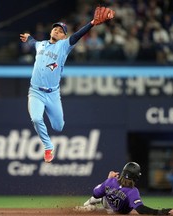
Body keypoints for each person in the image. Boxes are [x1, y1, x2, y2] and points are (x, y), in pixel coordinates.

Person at [19, 6, 115, 163]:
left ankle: (52, 134)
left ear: (64, 36)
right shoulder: (41, 45)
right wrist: (29, 37)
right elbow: (33, 42)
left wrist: (91, 23)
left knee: (58, 127)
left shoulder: (64, 46)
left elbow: (77, 36)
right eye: (55, 29)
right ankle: (48, 146)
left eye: (60, 30)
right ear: (50, 32)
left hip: (52, 94)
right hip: (35, 92)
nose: (56, 31)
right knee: (36, 119)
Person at [75, 162, 173, 215]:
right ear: (136, 177)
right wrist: (162, 212)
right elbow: (141, 209)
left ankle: (87, 205)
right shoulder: (132, 192)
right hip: (116, 212)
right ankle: (92, 208)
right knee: (106, 206)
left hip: (106, 202)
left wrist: (107, 180)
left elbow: (96, 193)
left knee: (101, 189)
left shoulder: (111, 181)